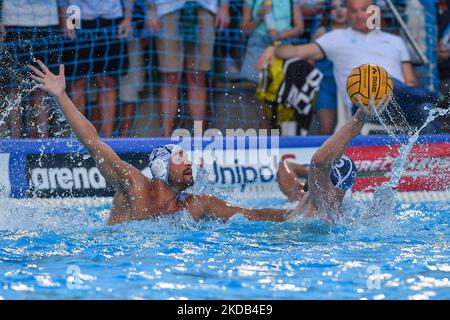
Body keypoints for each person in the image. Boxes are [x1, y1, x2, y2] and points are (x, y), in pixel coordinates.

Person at [29, 60, 291, 224]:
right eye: (180, 158)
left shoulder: (195, 205)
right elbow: (92, 141)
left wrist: (297, 216)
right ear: (162, 168)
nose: (188, 162)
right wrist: (61, 95)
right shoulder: (134, 186)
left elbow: (251, 214)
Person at [257, 0, 439, 132]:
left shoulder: (395, 41)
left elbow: (410, 80)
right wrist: (274, 48)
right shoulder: (336, 38)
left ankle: (428, 167)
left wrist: (410, 91)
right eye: (353, 11)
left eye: (364, 10)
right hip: (365, 106)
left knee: (427, 110)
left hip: (401, 102)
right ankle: (440, 98)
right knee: (380, 79)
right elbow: (296, 52)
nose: (359, 15)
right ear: (348, 15)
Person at [147, 0, 230, 137]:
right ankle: (165, 139)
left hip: (205, 7)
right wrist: (150, 9)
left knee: (197, 77)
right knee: (170, 77)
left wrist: (224, 7)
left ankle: (198, 138)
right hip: (166, 8)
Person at [276, 108, 368, 222]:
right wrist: (310, 174)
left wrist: (359, 118)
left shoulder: (326, 205)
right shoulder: (301, 194)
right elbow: (284, 165)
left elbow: (319, 162)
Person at [63, 0, 134, 137]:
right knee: (78, 82)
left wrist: (127, 19)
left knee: (108, 82)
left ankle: (107, 139)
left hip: (112, 19)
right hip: (79, 18)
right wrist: (70, 22)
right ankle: (79, 137)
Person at [0, 0, 67, 138]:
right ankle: (15, 142)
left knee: (43, 87)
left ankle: (43, 140)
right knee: (14, 88)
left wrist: (69, 23)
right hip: (13, 22)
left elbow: (67, 2)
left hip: (47, 23)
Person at [240, 0, 305, 83]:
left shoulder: (292, 1)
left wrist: (280, 35)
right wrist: (259, 17)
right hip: (258, 44)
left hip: (283, 45)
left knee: (280, 85)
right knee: (250, 83)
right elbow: (243, 31)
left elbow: (300, 28)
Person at [312, 0, 347, 134]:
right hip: (327, 84)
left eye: (343, 6)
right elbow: (310, 58)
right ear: (329, 12)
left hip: (349, 84)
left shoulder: (358, 33)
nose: (338, 11)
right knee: (326, 130)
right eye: (333, 8)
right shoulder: (322, 32)